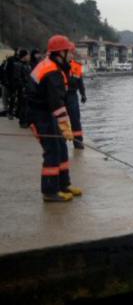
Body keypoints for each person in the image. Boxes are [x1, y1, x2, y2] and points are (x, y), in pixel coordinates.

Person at [27, 35, 83, 202]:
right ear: (61, 53)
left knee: (61, 148)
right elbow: (56, 103)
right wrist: (66, 127)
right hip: (40, 116)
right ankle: (50, 192)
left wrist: (64, 129)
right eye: (69, 52)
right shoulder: (52, 71)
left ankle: (63, 184)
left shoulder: (55, 66)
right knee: (52, 151)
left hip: (47, 113)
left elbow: (58, 100)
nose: (72, 55)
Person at [67, 52, 87, 149]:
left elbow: (80, 82)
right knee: (58, 119)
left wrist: (83, 94)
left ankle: (78, 141)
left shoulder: (77, 66)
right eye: (68, 53)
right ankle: (58, 140)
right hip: (59, 95)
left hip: (72, 94)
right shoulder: (56, 65)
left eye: (71, 53)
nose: (70, 55)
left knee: (75, 119)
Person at [11, 49, 31, 128]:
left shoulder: (27, 65)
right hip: (23, 89)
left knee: (27, 105)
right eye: (27, 55)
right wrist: (23, 87)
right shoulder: (18, 65)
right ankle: (23, 121)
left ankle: (26, 120)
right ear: (24, 56)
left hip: (28, 88)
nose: (29, 57)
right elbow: (17, 78)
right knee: (23, 105)